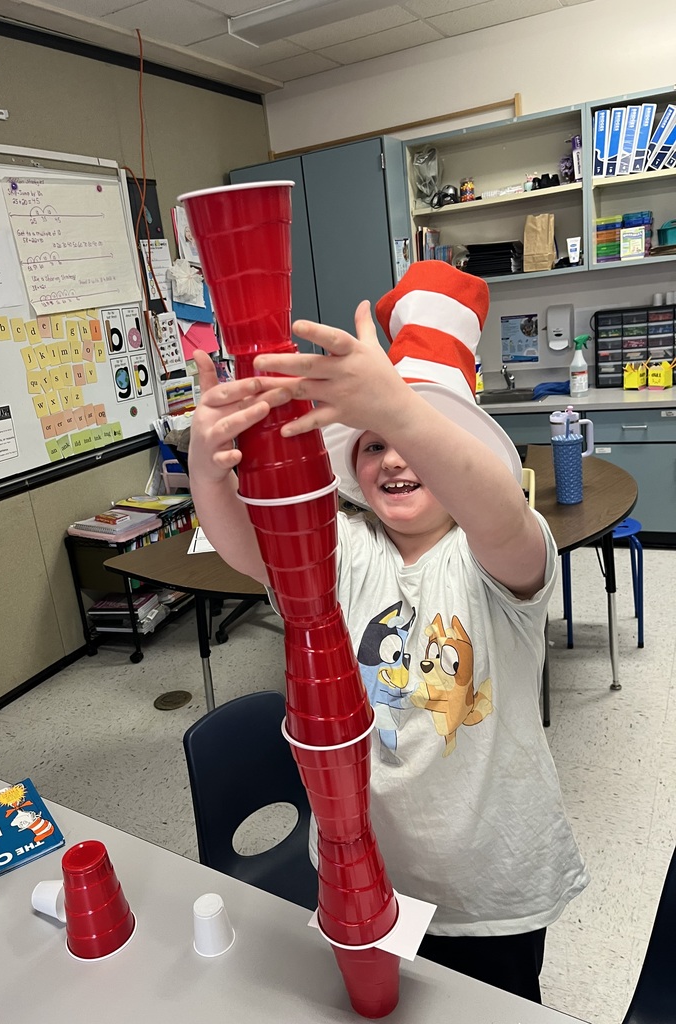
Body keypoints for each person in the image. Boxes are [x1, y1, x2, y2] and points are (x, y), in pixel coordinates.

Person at [189, 261, 589, 1003]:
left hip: (491, 889)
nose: (395, 456)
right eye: (371, 444)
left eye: (418, 438)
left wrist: (401, 410)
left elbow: (497, 508)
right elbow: (255, 551)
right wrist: (207, 473)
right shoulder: (349, 549)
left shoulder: (493, 553)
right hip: (366, 875)